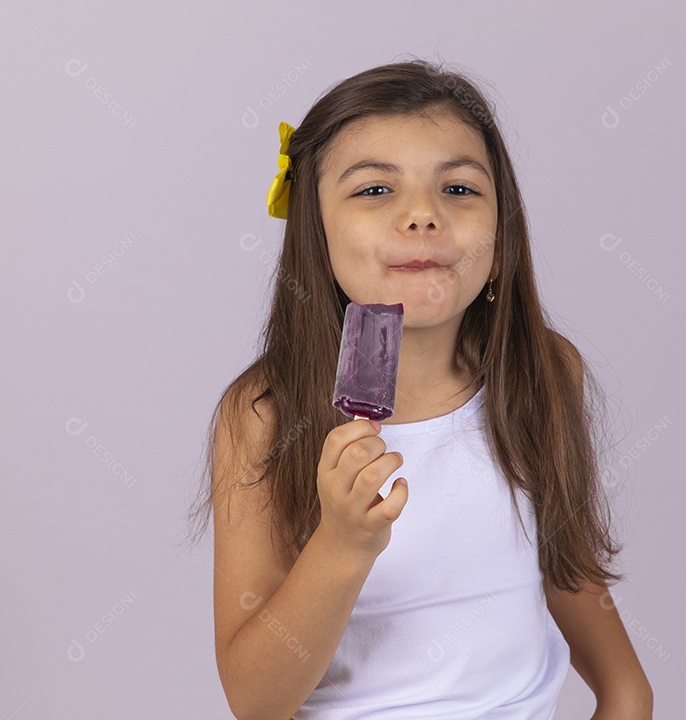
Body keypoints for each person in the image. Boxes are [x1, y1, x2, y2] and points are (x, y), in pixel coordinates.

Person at [186, 58, 653, 720]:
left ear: (502, 237)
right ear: (315, 238)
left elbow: (563, 571)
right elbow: (255, 701)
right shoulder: (265, 416)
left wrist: (625, 695)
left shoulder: (546, 374)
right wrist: (342, 545)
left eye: (459, 189)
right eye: (375, 191)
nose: (423, 216)